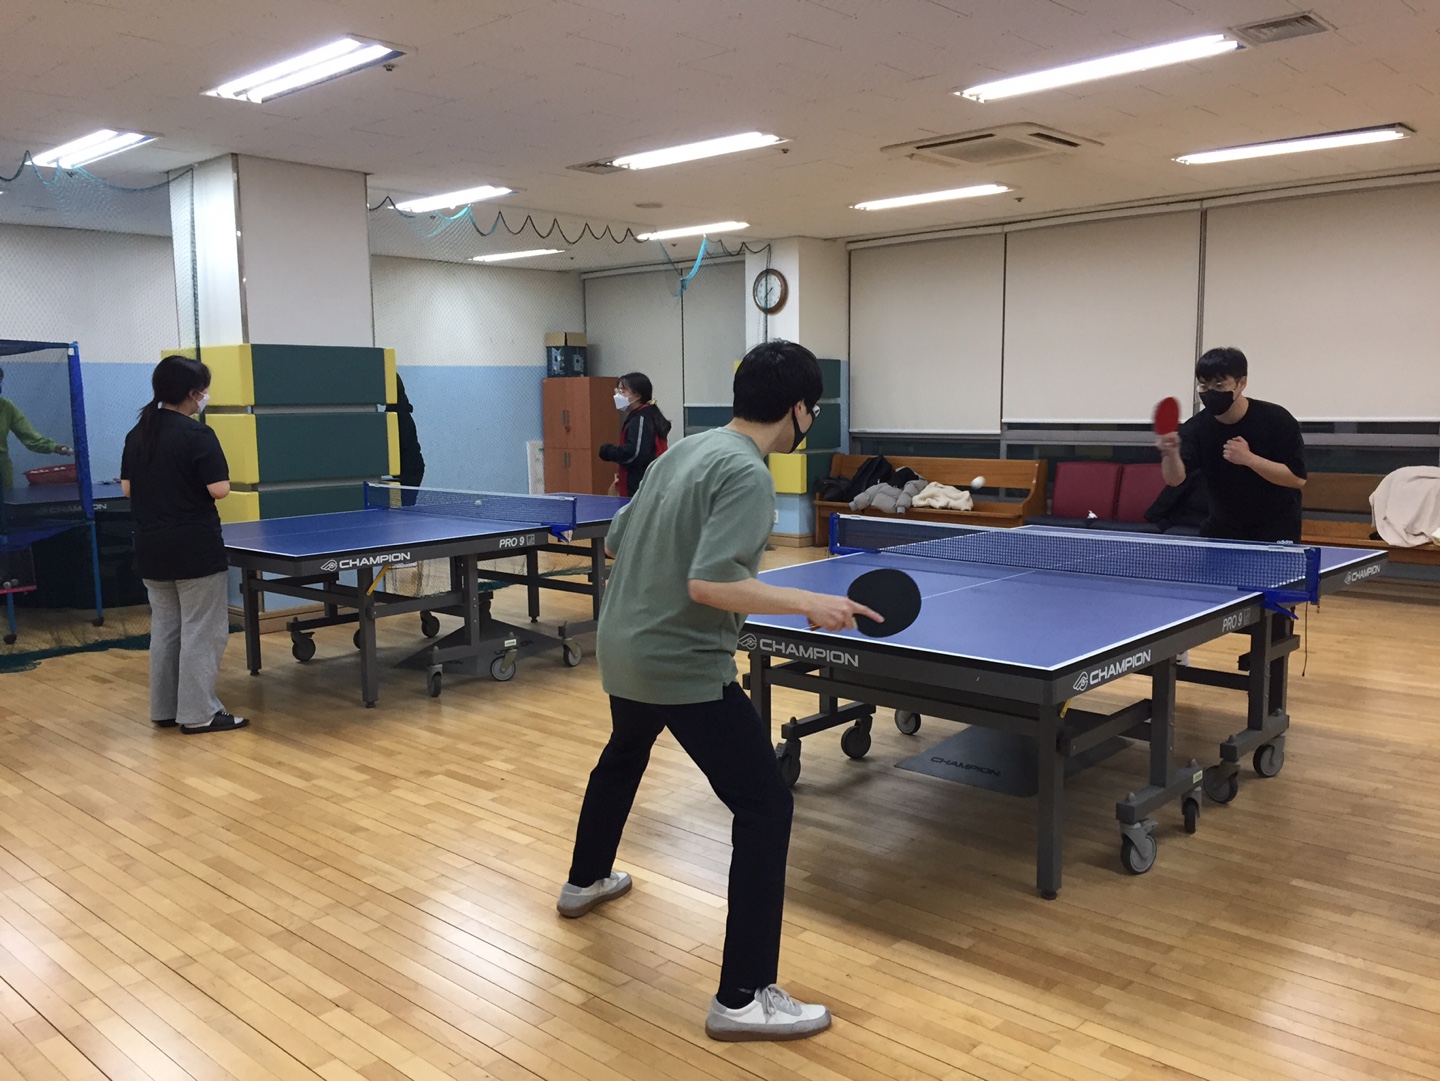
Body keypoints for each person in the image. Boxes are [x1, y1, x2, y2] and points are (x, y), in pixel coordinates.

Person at [558, 340, 879, 1043]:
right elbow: (710, 584)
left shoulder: (683, 452)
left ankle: (585, 879)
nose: (811, 418)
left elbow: (615, 540)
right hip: (680, 663)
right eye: (813, 408)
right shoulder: (747, 473)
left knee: (624, 753)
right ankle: (742, 996)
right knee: (765, 805)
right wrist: (809, 602)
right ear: (799, 409)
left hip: (624, 647)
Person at [120, 355, 248, 734]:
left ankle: (165, 709)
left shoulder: (138, 433)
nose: (205, 397)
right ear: (193, 393)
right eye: (203, 390)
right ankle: (198, 714)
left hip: (150, 547)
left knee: (166, 630)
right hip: (194, 548)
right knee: (202, 631)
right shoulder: (198, 435)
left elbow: (127, 488)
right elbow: (219, 489)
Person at [1157, 347, 1306, 542]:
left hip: (1276, 530)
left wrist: (1249, 459)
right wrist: (1171, 453)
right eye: (1203, 386)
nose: (1210, 392)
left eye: (1219, 385)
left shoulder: (1277, 419)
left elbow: (1297, 479)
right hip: (1222, 530)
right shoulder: (1196, 428)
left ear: (1241, 383)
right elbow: (1174, 480)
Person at [0, 365, 74, 490]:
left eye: (0, 382)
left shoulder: (6, 407)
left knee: (5, 501)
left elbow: (30, 436)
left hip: (2, 470)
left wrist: (53, 447)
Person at [598, 372, 671, 497]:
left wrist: (609, 451)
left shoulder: (642, 418)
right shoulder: (640, 416)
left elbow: (634, 454)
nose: (618, 395)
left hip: (640, 487)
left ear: (636, 395)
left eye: (623, 391)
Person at [387, 374, 425, 505]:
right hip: (409, 469)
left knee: (404, 507)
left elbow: (403, 445)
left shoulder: (399, 415)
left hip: (411, 470)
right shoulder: (394, 412)